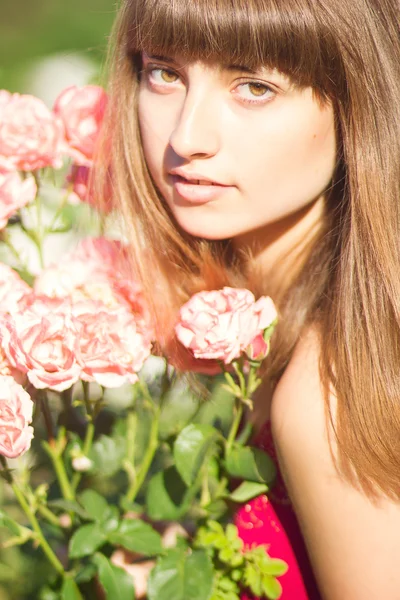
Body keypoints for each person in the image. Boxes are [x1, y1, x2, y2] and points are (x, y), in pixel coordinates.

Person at [98, 0, 400, 597]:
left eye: (255, 86)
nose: (187, 137)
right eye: (165, 73)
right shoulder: (284, 325)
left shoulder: (331, 397)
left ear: (359, 102)